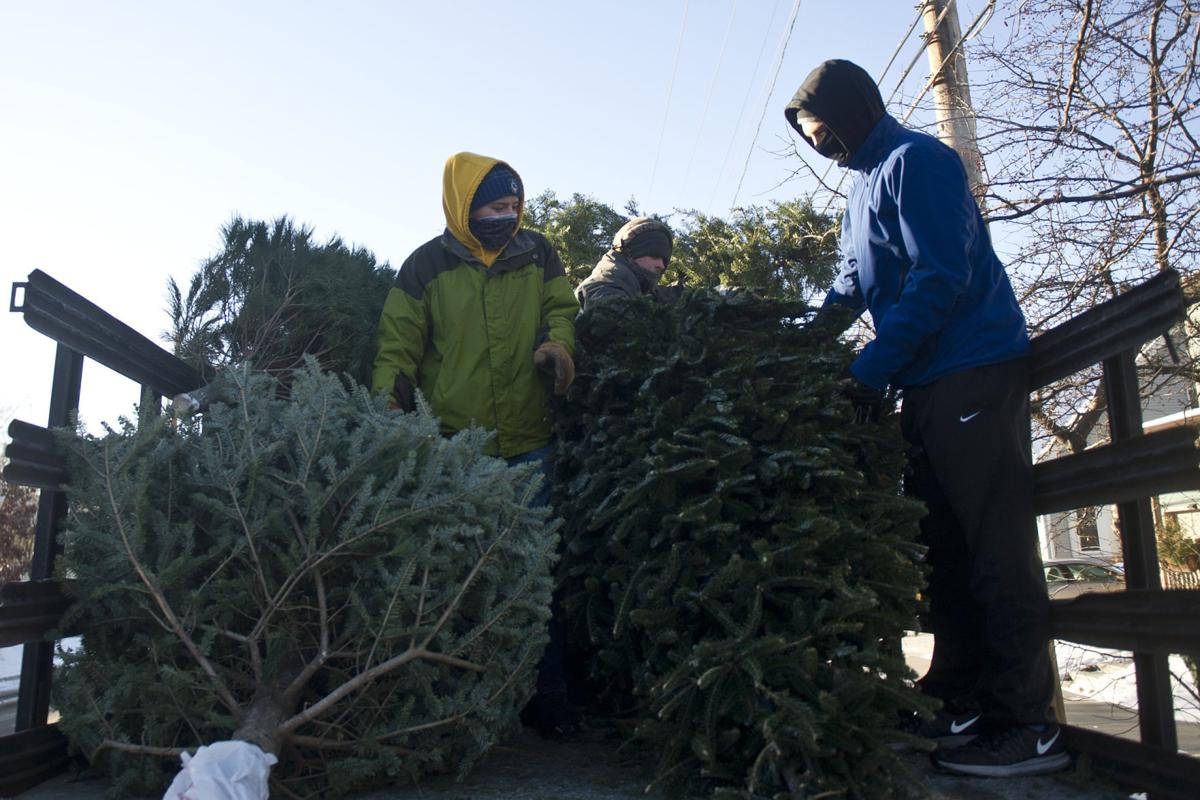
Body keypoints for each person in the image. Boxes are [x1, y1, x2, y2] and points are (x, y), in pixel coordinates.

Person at [784, 59, 1067, 777]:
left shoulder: (919, 162)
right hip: (927, 387)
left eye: (821, 128)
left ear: (852, 110)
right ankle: (961, 697)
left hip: (973, 368)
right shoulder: (861, 189)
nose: (819, 144)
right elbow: (850, 284)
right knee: (943, 546)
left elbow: (943, 273)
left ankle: (1025, 723)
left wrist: (869, 368)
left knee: (994, 548)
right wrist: (794, 351)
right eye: (808, 136)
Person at [371, 151, 581, 736]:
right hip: (455, 448)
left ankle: (549, 697)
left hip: (531, 440)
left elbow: (561, 310)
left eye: (514, 205)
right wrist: (388, 403)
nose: (507, 215)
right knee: (459, 576)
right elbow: (396, 348)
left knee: (538, 573)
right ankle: (463, 705)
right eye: (495, 205)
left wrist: (559, 347)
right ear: (464, 206)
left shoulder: (537, 252)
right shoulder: (423, 268)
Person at [575, 216, 678, 311]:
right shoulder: (602, 289)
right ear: (632, 253)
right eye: (655, 256)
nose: (662, 265)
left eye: (664, 260)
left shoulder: (635, 289)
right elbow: (627, 326)